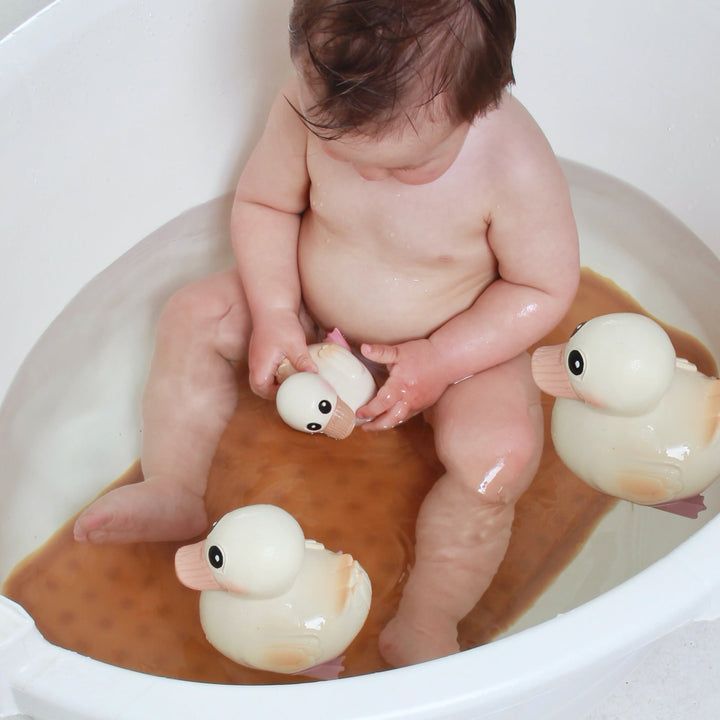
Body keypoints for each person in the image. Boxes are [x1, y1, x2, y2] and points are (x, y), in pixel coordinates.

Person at [74, 0, 579, 667]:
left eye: (407, 166)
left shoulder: (509, 163)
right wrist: (277, 311)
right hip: (312, 312)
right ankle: (175, 486)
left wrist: (442, 355)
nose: (368, 175)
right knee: (193, 313)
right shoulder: (303, 105)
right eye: (340, 149)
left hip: (456, 344)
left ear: (480, 103)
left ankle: (429, 616)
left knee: (501, 457)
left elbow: (541, 288)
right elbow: (266, 203)